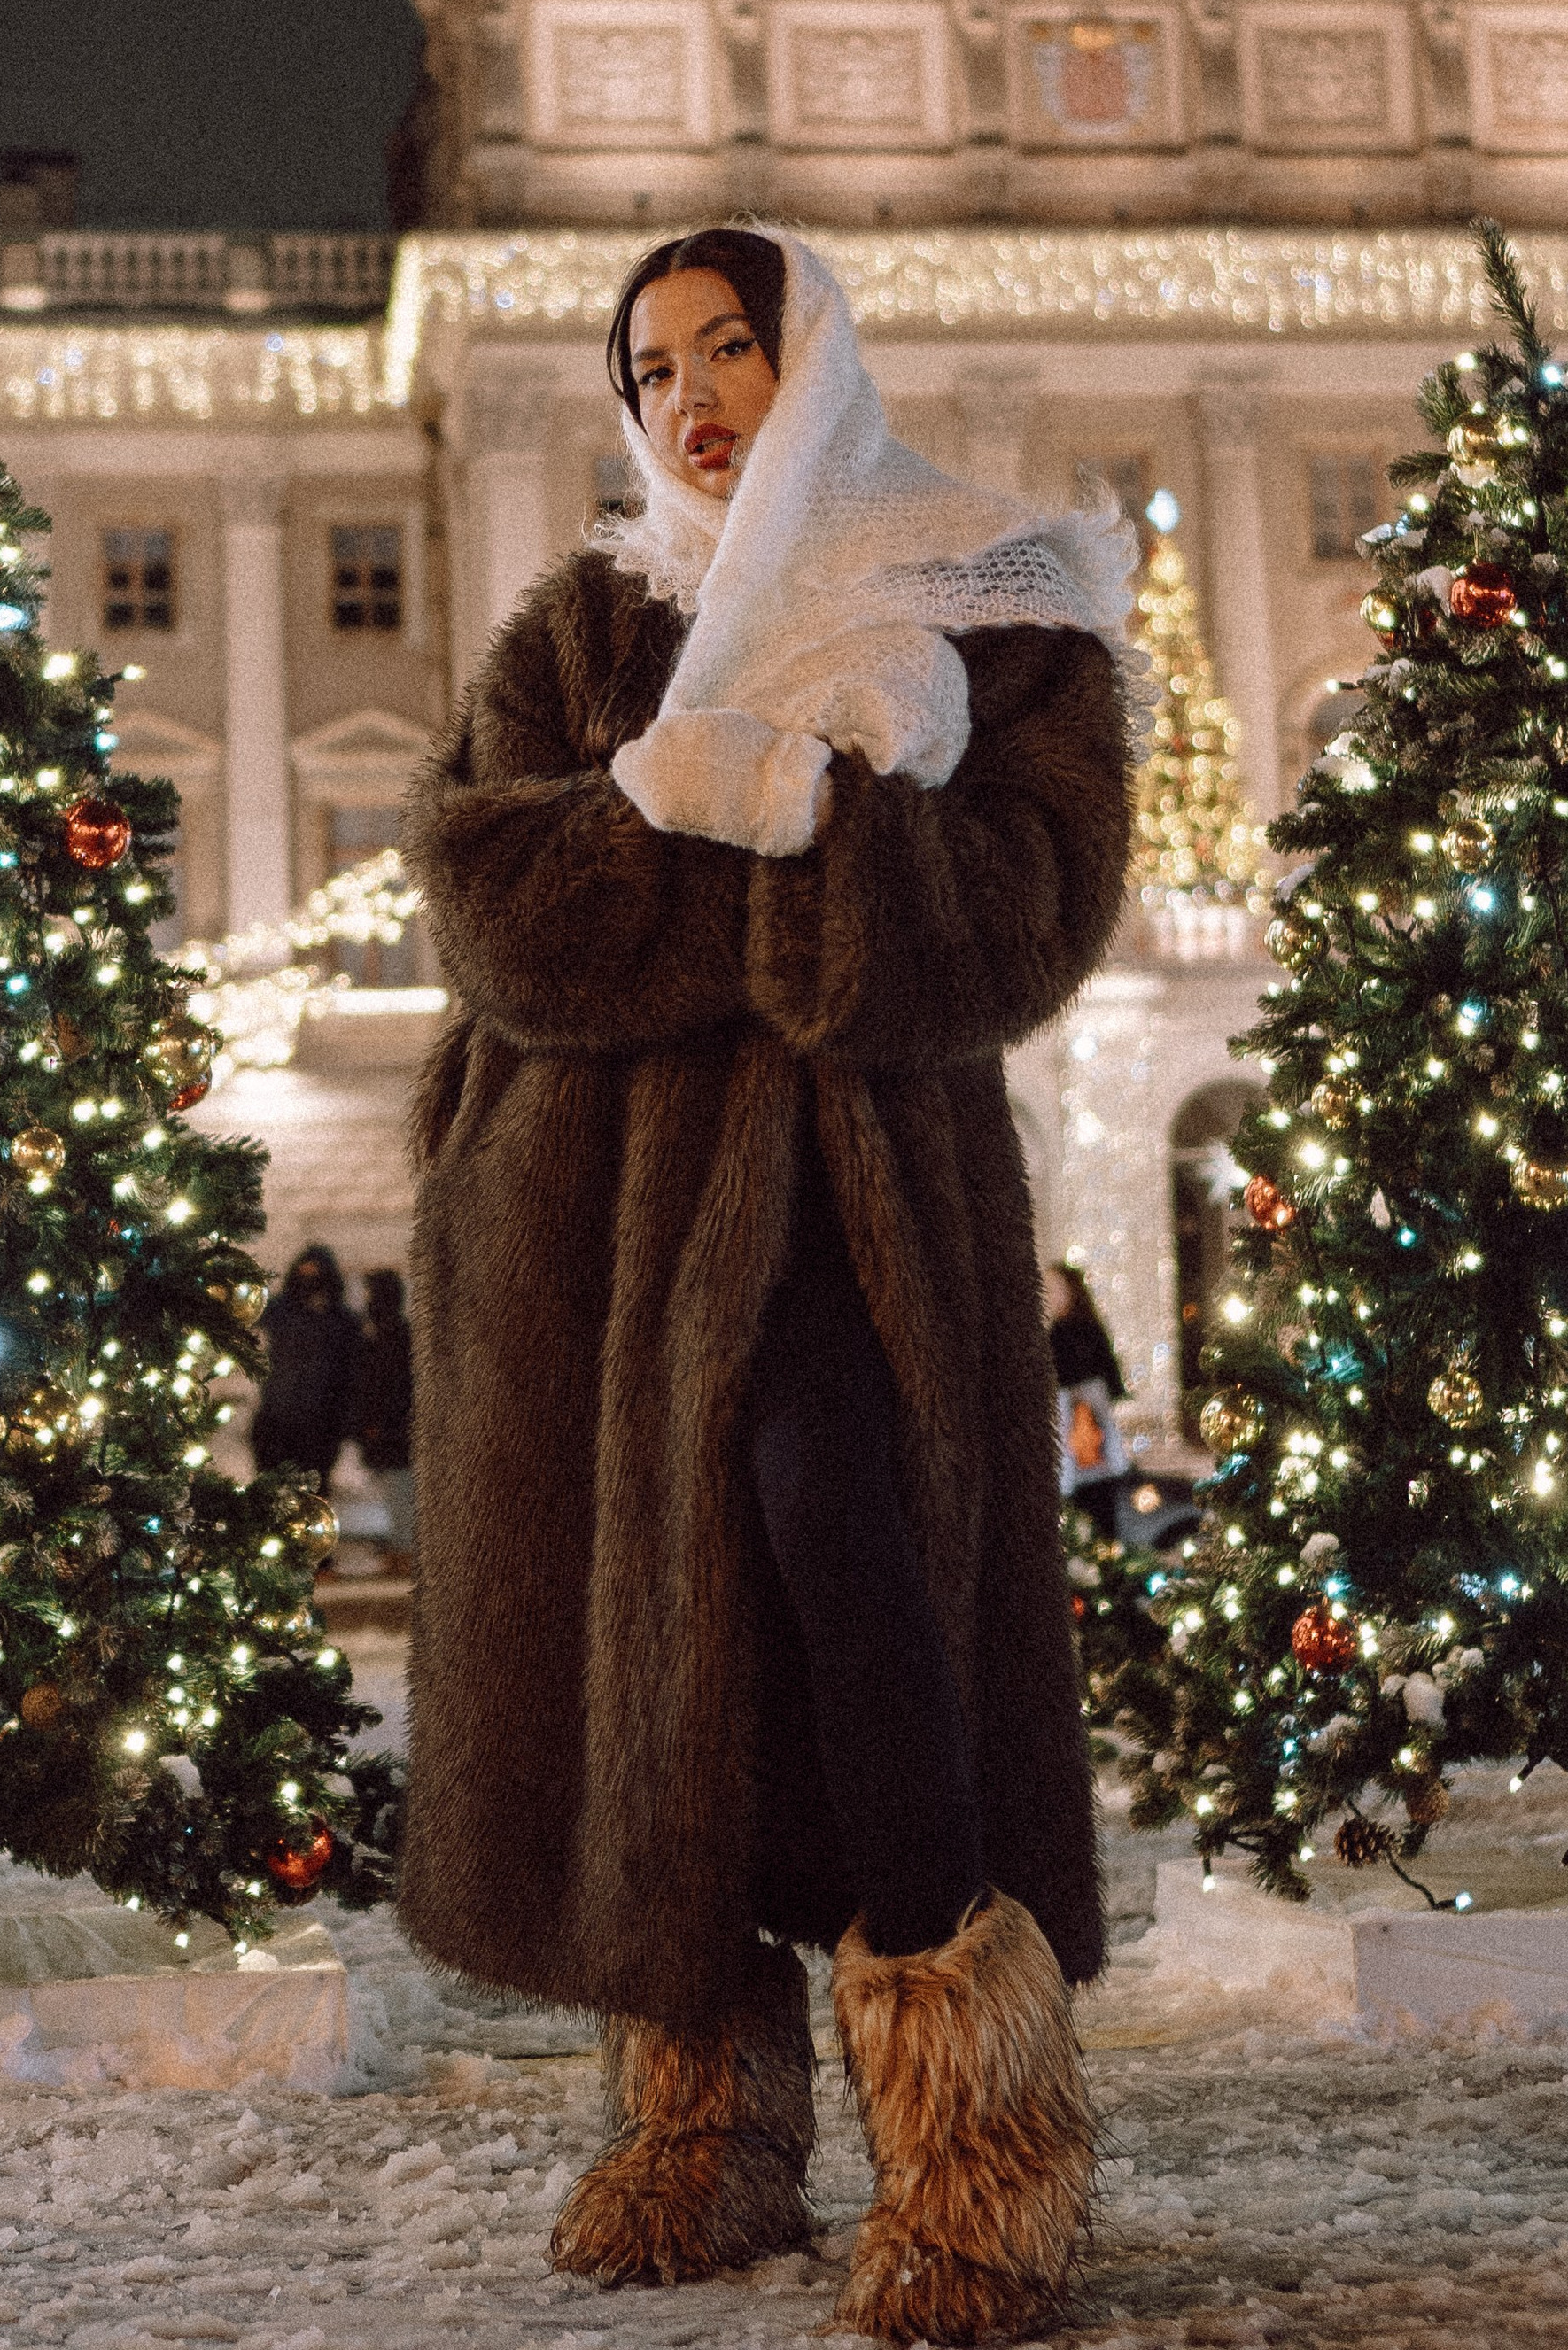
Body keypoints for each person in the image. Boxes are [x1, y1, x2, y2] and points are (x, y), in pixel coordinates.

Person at [400, 225, 1135, 2346]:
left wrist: (834, 813)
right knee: (656, 1637)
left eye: (733, 341)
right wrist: (672, 799)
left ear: (816, 351)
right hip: (584, 1240)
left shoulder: (994, 615)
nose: (693, 389)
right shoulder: (587, 626)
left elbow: (1019, 930)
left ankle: (973, 2139)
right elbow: (491, 903)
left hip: (859, 1209)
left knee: (853, 1561)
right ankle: (698, 2113)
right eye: (651, 365)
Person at [250, 1243, 361, 1512]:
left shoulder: (342, 1320)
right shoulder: (281, 1311)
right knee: (275, 1495)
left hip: (321, 1423)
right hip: (278, 1419)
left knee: (313, 1498)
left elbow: (350, 1372)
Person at [1043, 1259, 1131, 1540]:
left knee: (1092, 1507)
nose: (1050, 1295)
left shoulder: (1074, 1331)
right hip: (1083, 1436)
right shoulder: (1066, 1330)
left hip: (1086, 1434)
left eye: (1056, 1287)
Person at [353, 1265, 415, 1572]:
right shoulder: (392, 1331)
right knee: (398, 1491)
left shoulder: (388, 1334)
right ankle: (401, 1548)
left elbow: (386, 1385)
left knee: (400, 1491)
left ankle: (403, 1551)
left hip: (393, 1431)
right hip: (395, 1429)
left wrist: (376, 1421)